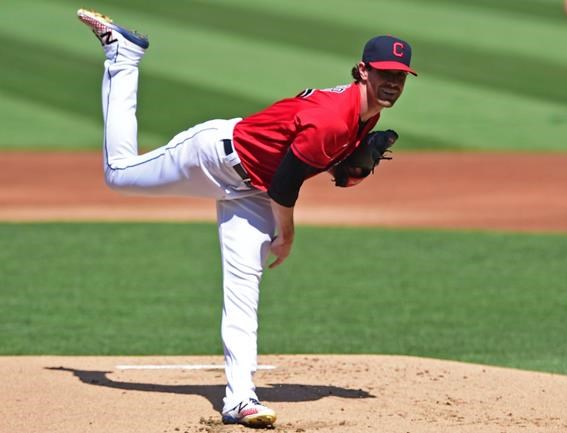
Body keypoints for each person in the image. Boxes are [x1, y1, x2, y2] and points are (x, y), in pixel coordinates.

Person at [76, 8, 416, 428]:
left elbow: (306, 161)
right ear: (363, 71)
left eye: (400, 76)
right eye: (385, 73)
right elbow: (285, 185)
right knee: (119, 175)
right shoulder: (335, 116)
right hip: (213, 158)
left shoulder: (365, 115)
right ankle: (123, 58)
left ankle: (240, 400)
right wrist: (286, 233)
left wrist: (342, 168)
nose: (393, 83)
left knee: (243, 287)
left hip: (252, 189)